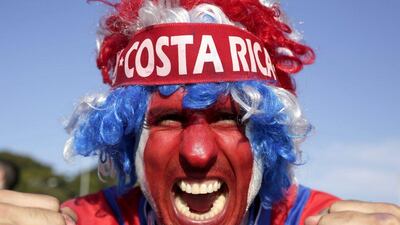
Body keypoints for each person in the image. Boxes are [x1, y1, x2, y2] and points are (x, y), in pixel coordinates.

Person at [0, 0, 399, 225]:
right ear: (129, 140)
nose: (197, 153)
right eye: (168, 120)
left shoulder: (310, 218)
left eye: (229, 118)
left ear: (267, 140)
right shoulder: (92, 220)